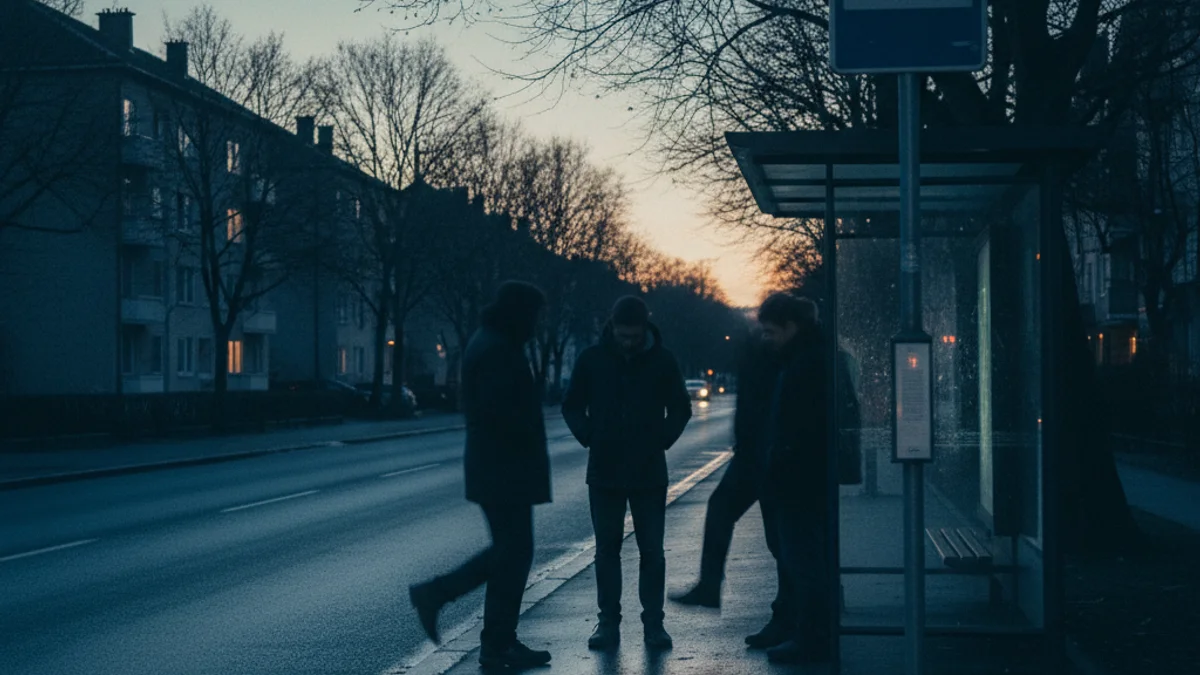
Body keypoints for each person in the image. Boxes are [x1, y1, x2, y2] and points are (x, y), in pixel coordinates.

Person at [408, 281, 553, 670]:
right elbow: (500, 414)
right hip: (504, 470)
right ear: (520, 313)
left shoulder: (493, 342)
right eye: (535, 316)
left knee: (512, 555)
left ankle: (498, 643)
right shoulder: (497, 349)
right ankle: (439, 596)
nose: (537, 325)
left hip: (500, 468)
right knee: (512, 553)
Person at [562, 296, 693, 651]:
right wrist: (590, 435)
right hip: (606, 469)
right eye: (623, 336)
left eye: (634, 336)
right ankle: (609, 623)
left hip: (647, 469)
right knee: (608, 550)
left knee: (651, 550)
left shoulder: (662, 361)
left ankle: (653, 625)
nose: (629, 343)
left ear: (644, 329)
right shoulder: (592, 359)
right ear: (613, 328)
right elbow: (572, 404)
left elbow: (681, 407)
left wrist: (661, 440)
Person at [670, 329, 799, 650]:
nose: (767, 335)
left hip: (773, 459)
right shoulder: (775, 355)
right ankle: (782, 616)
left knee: (780, 541)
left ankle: (790, 619)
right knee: (765, 533)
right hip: (758, 455)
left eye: (773, 329)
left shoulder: (793, 360)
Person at [756, 292, 836, 664]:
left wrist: (780, 463)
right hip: (799, 479)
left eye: (771, 331)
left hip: (798, 481)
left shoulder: (805, 364)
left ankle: (811, 637)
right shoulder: (803, 357)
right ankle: (801, 630)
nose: (766, 338)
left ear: (791, 327)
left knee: (802, 562)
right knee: (797, 560)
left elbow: (801, 429)